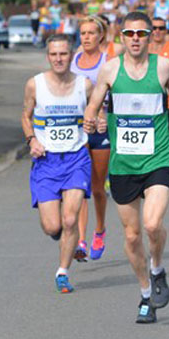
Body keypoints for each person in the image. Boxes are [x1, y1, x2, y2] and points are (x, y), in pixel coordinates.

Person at [84, 12, 169, 323]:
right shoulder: (109, 70)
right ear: (121, 37)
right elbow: (93, 105)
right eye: (129, 33)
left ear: (150, 36)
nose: (135, 38)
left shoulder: (162, 67)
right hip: (123, 163)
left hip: (158, 158)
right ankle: (146, 293)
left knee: (151, 224)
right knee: (132, 236)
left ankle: (157, 267)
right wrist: (91, 118)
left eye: (141, 33)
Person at [21, 34, 93, 294]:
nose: (59, 58)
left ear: (71, 55)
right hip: (46, 162)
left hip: (76, 159)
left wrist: (97, 121)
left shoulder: (84, 85)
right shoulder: (35, 85)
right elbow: (25, 116)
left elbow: (97, 111)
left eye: (63, 54)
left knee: (71, 219)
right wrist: (31, 140)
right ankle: (61, 235)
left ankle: (62, 272)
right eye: (54, 54)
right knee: (53, 226)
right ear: (48, 56)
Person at [70, 16, 112, 263]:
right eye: (83, 33)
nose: (86, 37)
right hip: (78, 129)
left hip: (101, 129)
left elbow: (115, 93)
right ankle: (81, 240)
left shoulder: (108, 62)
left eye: (90, 33)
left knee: (97, 187)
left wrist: (105, 113)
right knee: (81, 186)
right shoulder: (73, 60)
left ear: (100, 37)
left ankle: (100, 229)